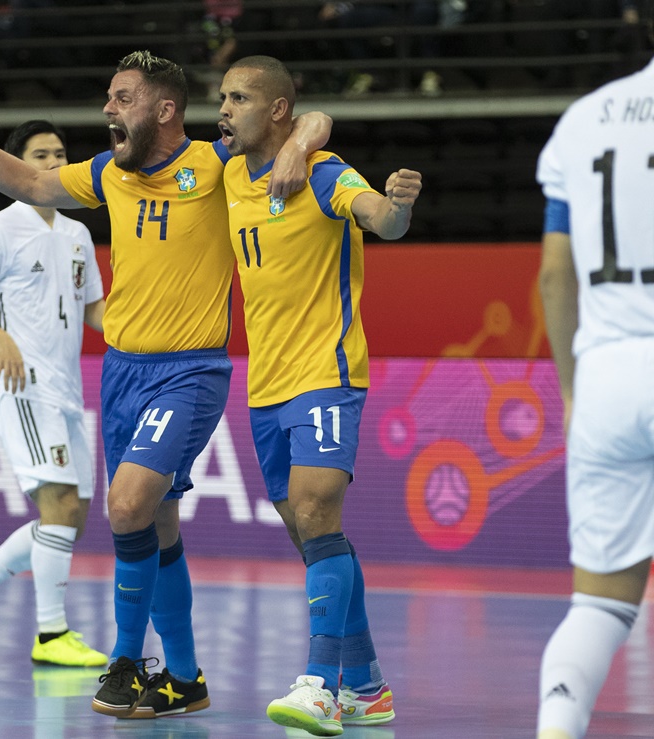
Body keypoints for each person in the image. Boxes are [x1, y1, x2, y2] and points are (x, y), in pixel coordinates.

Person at [0, 50, 333, 719]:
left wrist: (306, 140)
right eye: (109, 97)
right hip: (122, 373)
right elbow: (30, 182)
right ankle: (182, 675)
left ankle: (123, 657)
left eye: (122, 98)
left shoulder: (214, 163)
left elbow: (309, 120)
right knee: (157, 522)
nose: (108, 109)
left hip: (190, 370)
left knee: (125, 504)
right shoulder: (110, 175)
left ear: (164, 110)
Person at [216, 55, 421, 736]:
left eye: (238, 98)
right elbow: (309, 117)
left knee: (314, 508)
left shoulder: (327, 171)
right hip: (264, 386)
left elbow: (383, 223)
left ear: (275, 109)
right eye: (222, 97)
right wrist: (301, 135)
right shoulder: (224, 172)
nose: (223, 109)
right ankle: (367, 685)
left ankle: (319, 683)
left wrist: (396, 205)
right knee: (312, 533)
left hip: (326, 374)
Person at [0, 120, 109, 668]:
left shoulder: (79, 233)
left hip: (67, 391)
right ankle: (51, 634)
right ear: (17, 165)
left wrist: (147, 323)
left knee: (72, 515)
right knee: (58, 504)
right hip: (24, 387)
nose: (54, 162)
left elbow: (95, 314)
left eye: (61, 153)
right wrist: (0, 337)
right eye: (40, 155)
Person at [534, 56, 654, 739]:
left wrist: (575, 389)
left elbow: (556, 275)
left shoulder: (585, 119)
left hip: (607, 377)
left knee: (598, 607)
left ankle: (556, 727)